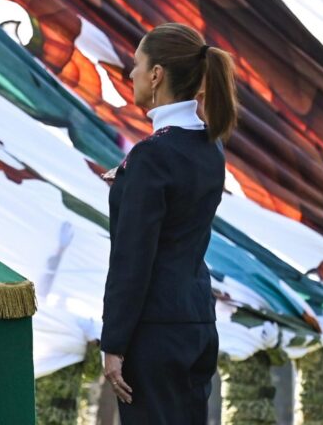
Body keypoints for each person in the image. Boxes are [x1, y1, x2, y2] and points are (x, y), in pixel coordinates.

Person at [100, 22, 239, 424]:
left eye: (137, 64)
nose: (132, 74)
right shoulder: (209, 149)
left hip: (154, 332)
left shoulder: (151, 156)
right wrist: (128, 182)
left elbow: (133, 258)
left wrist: (114, 343)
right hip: (196, 323)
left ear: (157, 74)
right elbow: (180, 209)